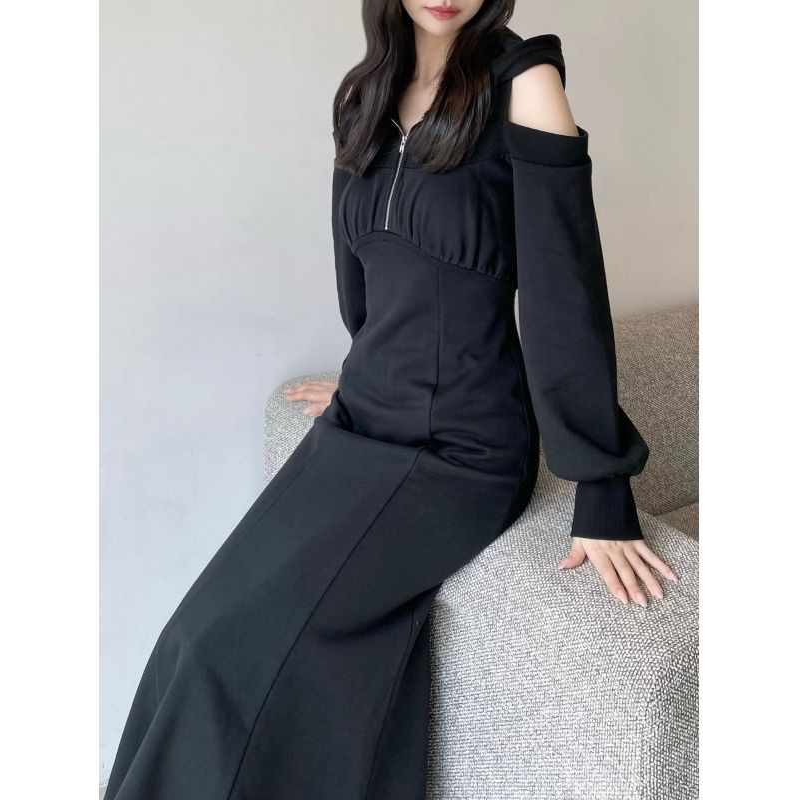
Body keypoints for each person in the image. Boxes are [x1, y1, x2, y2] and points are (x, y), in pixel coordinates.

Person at [104, 2, 678, 798]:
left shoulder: (526, 83)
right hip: (361, 424)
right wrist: (361, 370)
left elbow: (564, 293)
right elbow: (367, 276)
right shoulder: (363, 95)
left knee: (226, 660)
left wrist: (603, 486)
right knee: (189, 639)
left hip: (459, 450)